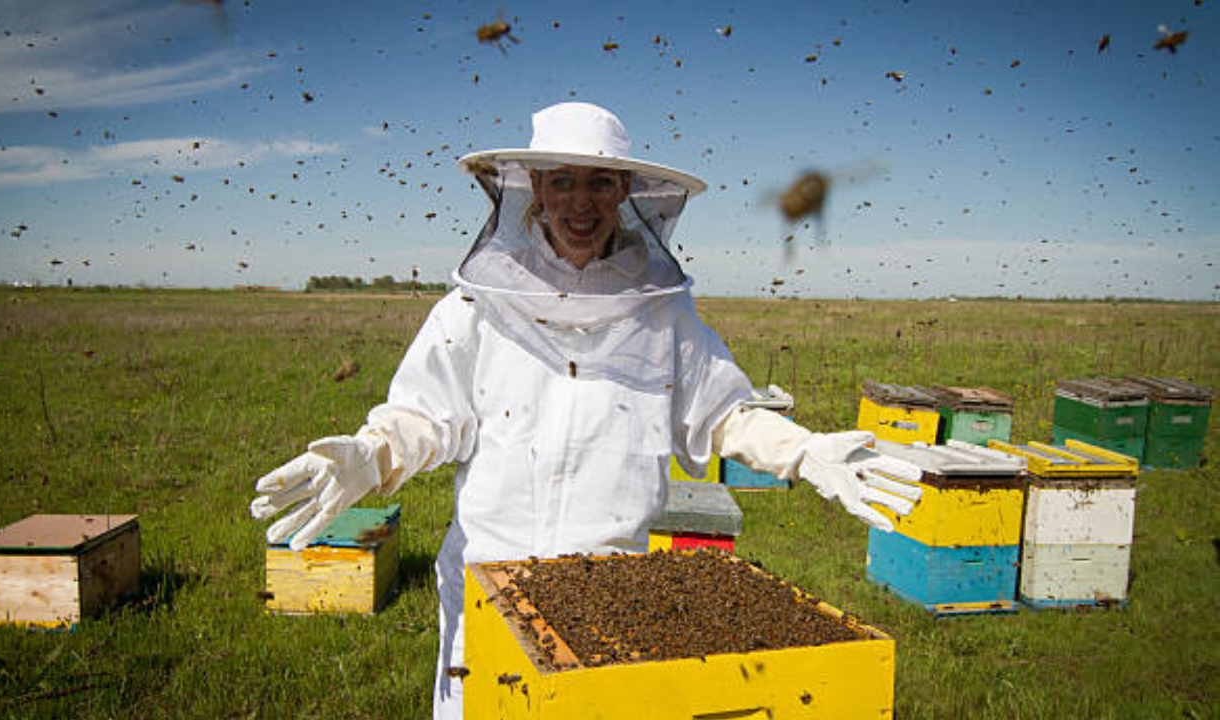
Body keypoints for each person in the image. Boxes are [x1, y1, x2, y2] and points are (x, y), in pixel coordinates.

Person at [250, 101, 923, 719]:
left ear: (625, 193)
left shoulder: (663, 313)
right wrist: (374, 454)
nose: (580, 201)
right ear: (534, 189)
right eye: (562, 181)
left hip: (612, 601)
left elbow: (722, 414)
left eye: (599, 183)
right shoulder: (476, 306)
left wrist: (802, 452)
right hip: (489, 589)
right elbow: (426, 417)